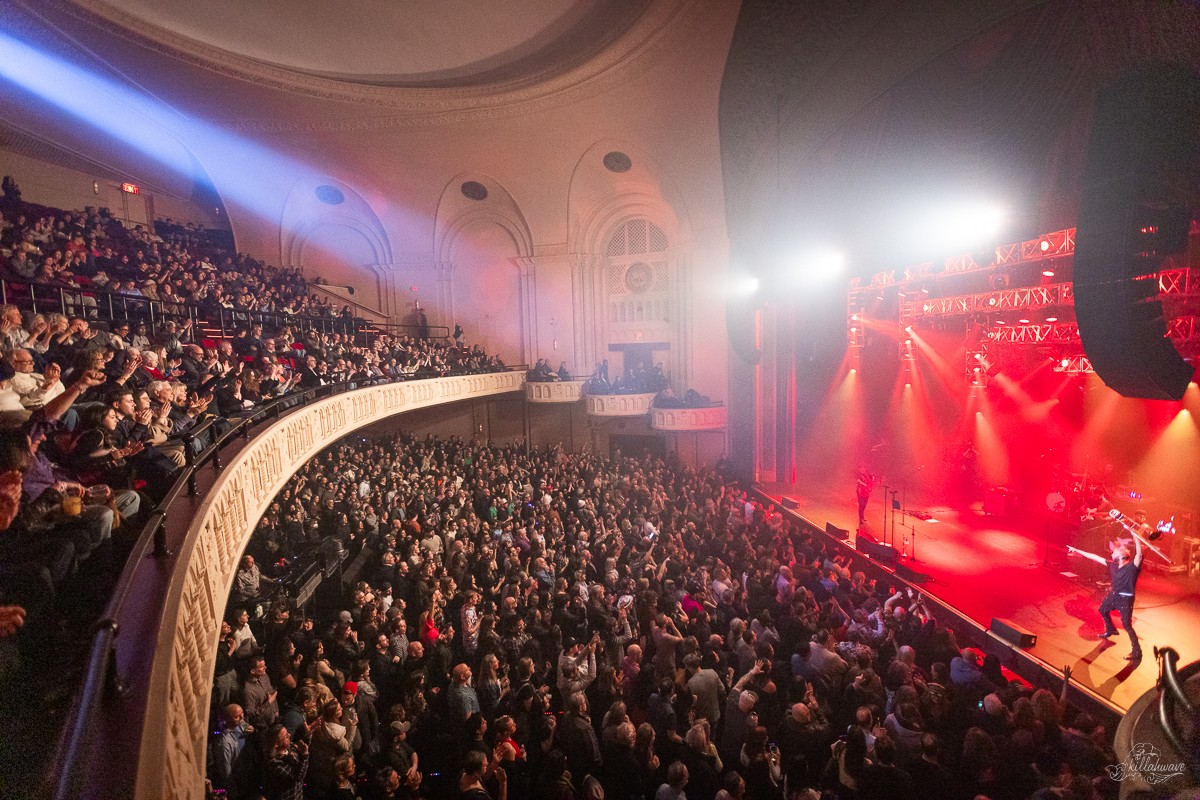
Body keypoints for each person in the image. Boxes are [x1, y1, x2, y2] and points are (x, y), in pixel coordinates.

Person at [1068, 532, 1144, 660]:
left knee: (1126, 625)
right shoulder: (1113, 565)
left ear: (1121, 555)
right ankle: (1111, 629)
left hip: (1126, 599)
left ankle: (1137, 651)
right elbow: (1094, 557)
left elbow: (1139, 554)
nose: (1112, 553)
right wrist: (1078, 550)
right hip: (1114, 595)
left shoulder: (1133, 567)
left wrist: (1136, 537)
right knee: (1103, 609)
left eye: (1114, 552)